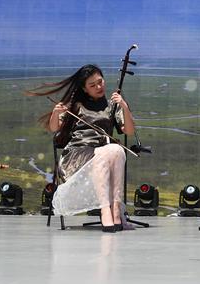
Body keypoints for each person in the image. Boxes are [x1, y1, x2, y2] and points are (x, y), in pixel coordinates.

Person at [27, 65, 135, 233]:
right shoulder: (75, 106)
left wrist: (125, 107)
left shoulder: (111, 105)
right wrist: (56, 113)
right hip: (76, 156)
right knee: (107, 152)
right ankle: (105, 210)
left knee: (117, 150)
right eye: (92, 85)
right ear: (84, 89)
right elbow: (55, 128)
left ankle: (116, 209)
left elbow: (129, 131)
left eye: (100, 82)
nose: (99, 87)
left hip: (102, 154)